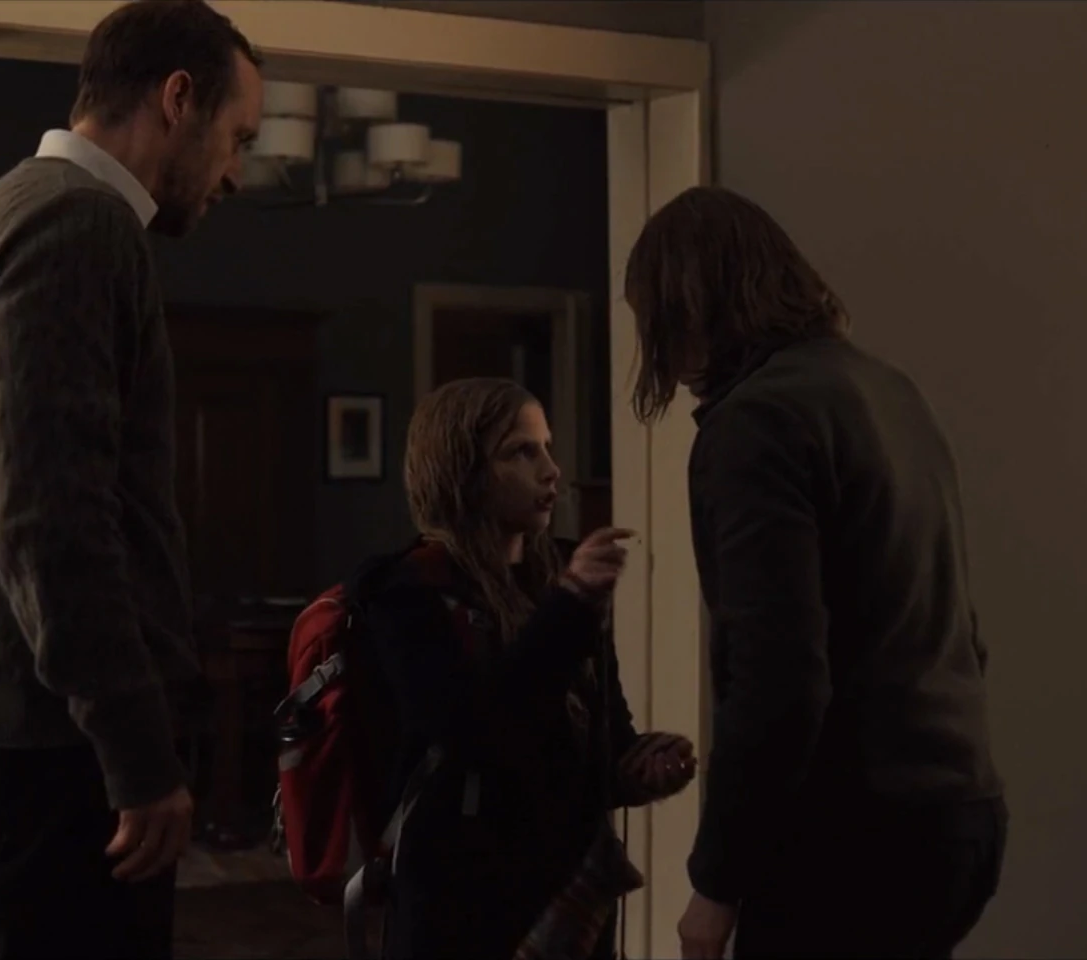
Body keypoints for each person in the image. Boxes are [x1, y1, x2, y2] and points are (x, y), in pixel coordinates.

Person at [0, 2, 264, 957]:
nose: (236, 173)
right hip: (50, 755)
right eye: (237, 138)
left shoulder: (8, 210)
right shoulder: (81, 224)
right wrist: (137, 754)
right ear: (177, 99)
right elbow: (52, 520)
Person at [621, 186, 1006, 960]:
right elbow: (962, 631)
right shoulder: (892, 392)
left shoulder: (757, 421)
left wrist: (715, 883)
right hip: (960, 813)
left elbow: (777, 679)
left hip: (850, 840)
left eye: (656, 319)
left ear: (694, 306)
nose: (659, 351)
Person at [356, 377, 699, 960]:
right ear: (463, 472)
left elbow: (596, 746)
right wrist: (572, 605)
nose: (551, 471)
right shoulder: (409, 591)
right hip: (462, 911)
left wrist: (640, 768)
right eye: (521, 452)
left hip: (570, 903)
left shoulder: (557, 576)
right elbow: (473, 735)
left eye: (547, 447)